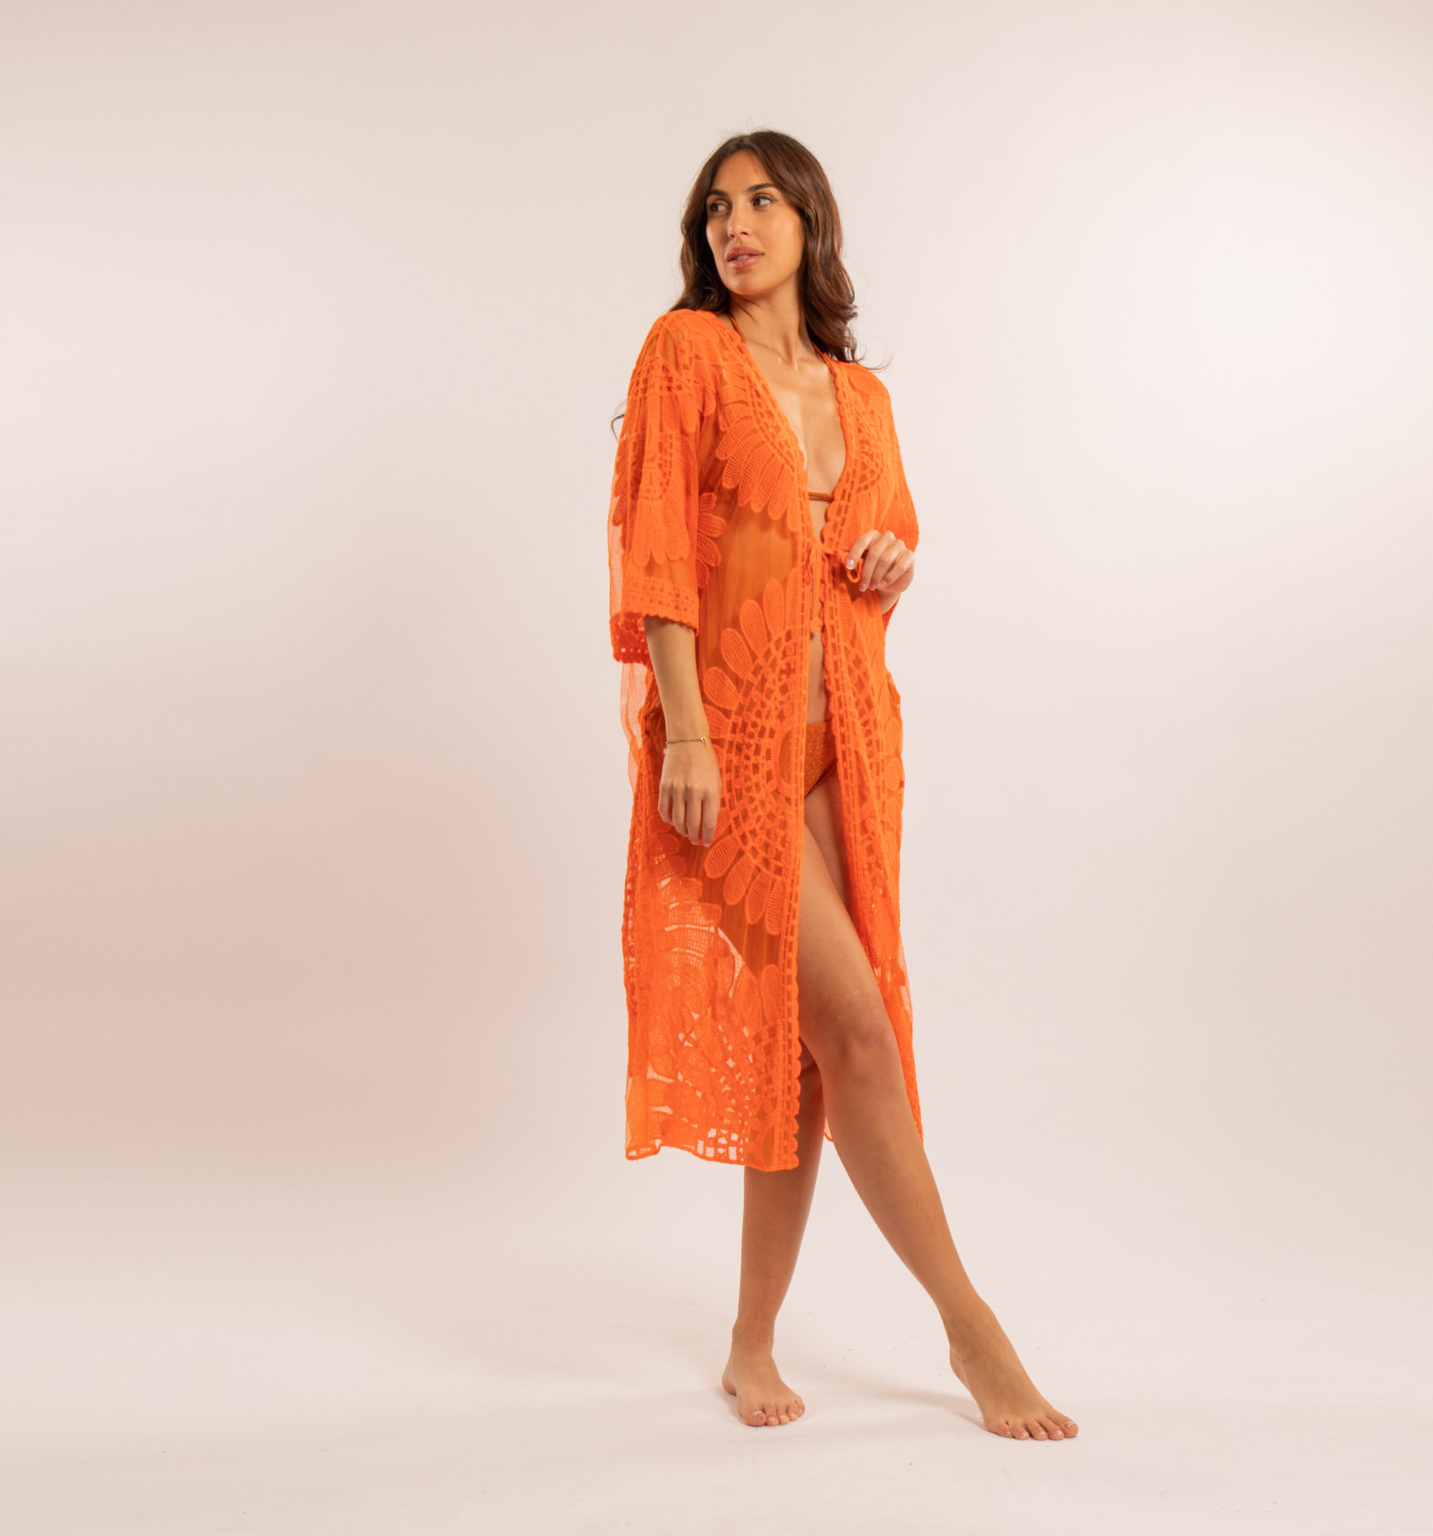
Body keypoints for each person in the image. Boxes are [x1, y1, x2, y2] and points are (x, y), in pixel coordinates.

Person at [606, 129, 1078, 1443]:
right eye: (716, 208)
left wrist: (887, 557)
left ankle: (750, 1340)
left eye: (762, 200)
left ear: (811, 221)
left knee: (810, 1058)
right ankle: (972, 1329)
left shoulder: (861, 396)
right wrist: (685, 736)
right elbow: (656, 548)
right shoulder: (685, 353)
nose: (735, 225)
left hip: (849, 743)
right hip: (730, 747)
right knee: (857, 1031)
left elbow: (889, 539)